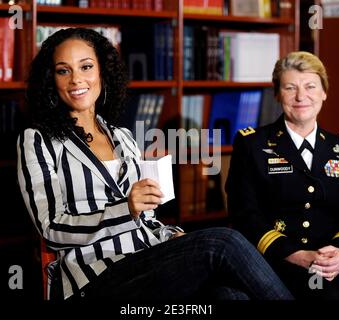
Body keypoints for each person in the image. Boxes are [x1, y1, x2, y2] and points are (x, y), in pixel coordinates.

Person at [17, 27, 293, 301]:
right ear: (50, 79)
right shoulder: (38, 140)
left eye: (86, 66)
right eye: (63, 70)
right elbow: (52, 229)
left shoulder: (123, 137)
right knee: (224, 242)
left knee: (229, 296)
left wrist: (171, 236)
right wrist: (124, 209)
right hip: (95, 279)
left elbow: (146, 220)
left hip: (146, 262)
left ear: (102, 71)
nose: (76, 79)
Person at [226, 51, 339, 300]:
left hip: (332, 259)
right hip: (280, 259)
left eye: (310, 86)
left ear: (324, 92)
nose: (301, 96)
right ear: (278, 94)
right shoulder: (252, 144)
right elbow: (243, 215)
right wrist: (295, 254)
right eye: (290, 88)